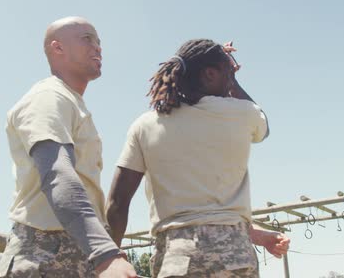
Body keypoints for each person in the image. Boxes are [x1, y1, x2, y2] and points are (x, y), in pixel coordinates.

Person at [106, 39, 290, 277]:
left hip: (176, 258)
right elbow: (263, 125)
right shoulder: (241, 114)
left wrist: (109, 261)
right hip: (234, 258)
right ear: (210, 74)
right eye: (228, 71)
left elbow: (117, 203)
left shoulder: (145, 125)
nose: (230, 78)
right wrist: (234, 80)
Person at [0, 17, 136, 278]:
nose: (98, 48)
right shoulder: (48, 97)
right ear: (57, 48)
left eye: (99, 42)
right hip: (45, 255)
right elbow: (58, 175)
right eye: (87, 39)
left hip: (76, 253)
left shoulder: (71, 101)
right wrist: (106, 253)